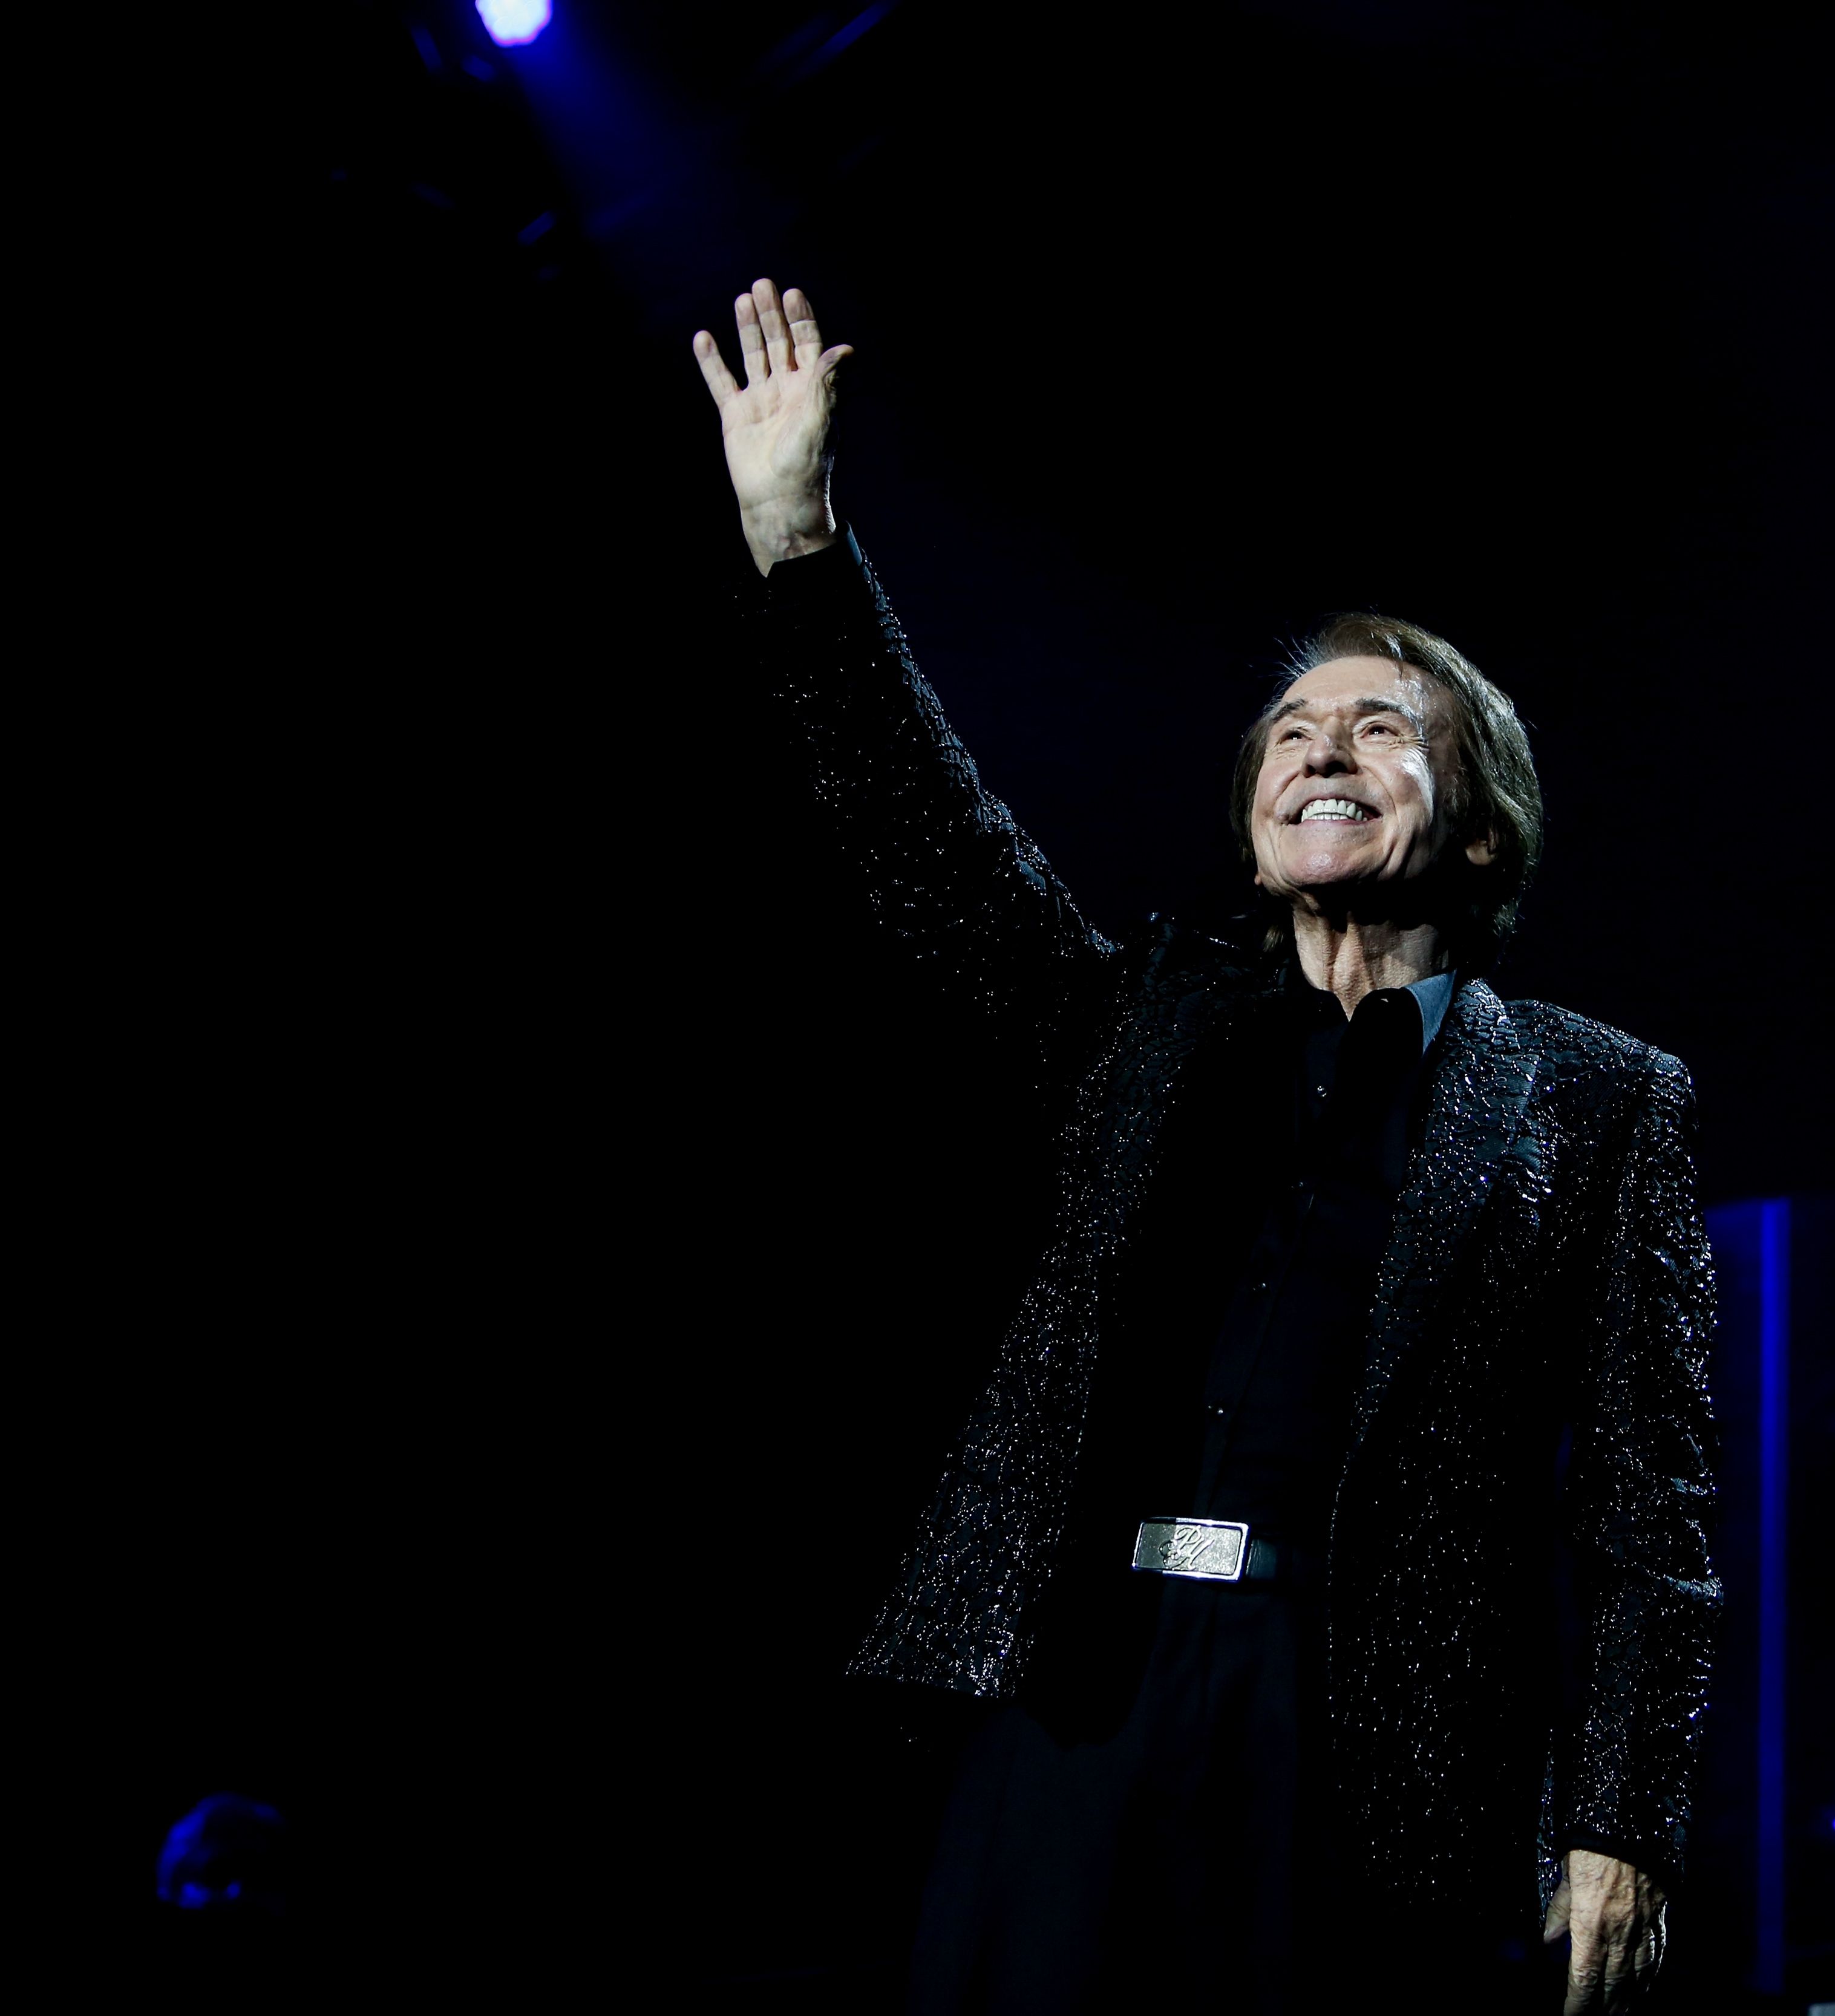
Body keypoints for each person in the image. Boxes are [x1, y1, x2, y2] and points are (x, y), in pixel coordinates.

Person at [705, 278, 1719, 2015]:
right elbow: (934, 845)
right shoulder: (1146, 1026)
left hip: (1357, 1729)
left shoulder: (1601, 1099)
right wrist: (799, 547)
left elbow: (1655, 1513)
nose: (1325, 747)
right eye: (1293, 733)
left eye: (1385, 729)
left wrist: (1628, 1817)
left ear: (1482, 833)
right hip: (1084, 1683)